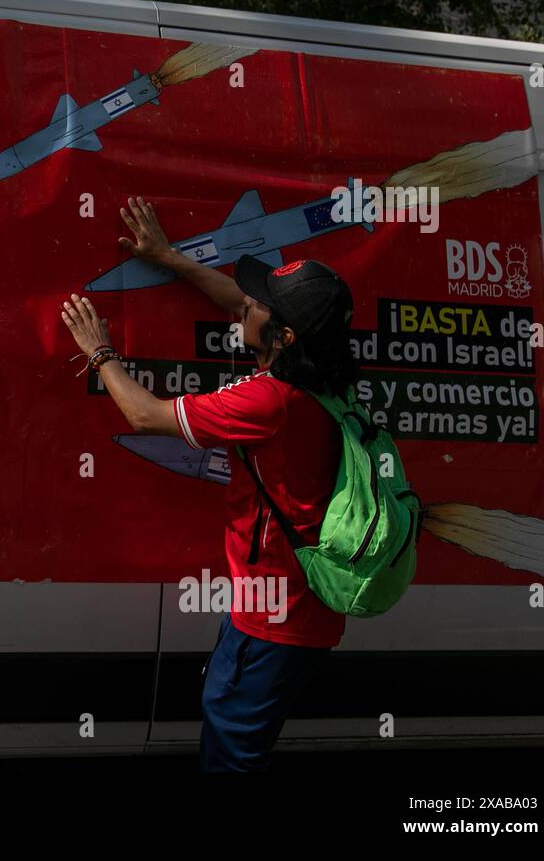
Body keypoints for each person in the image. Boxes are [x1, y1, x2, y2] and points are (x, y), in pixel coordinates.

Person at [60, 196, 358, 772]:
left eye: (257, 304)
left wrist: (99, 353)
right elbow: (238, 304)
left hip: (275, 616)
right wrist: (171, 258)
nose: (244, 302)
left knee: (231, 757)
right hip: (296, 609)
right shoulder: (330, 375)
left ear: (285, 336)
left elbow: (146, 416)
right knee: (233, 732)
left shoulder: (268, 402)